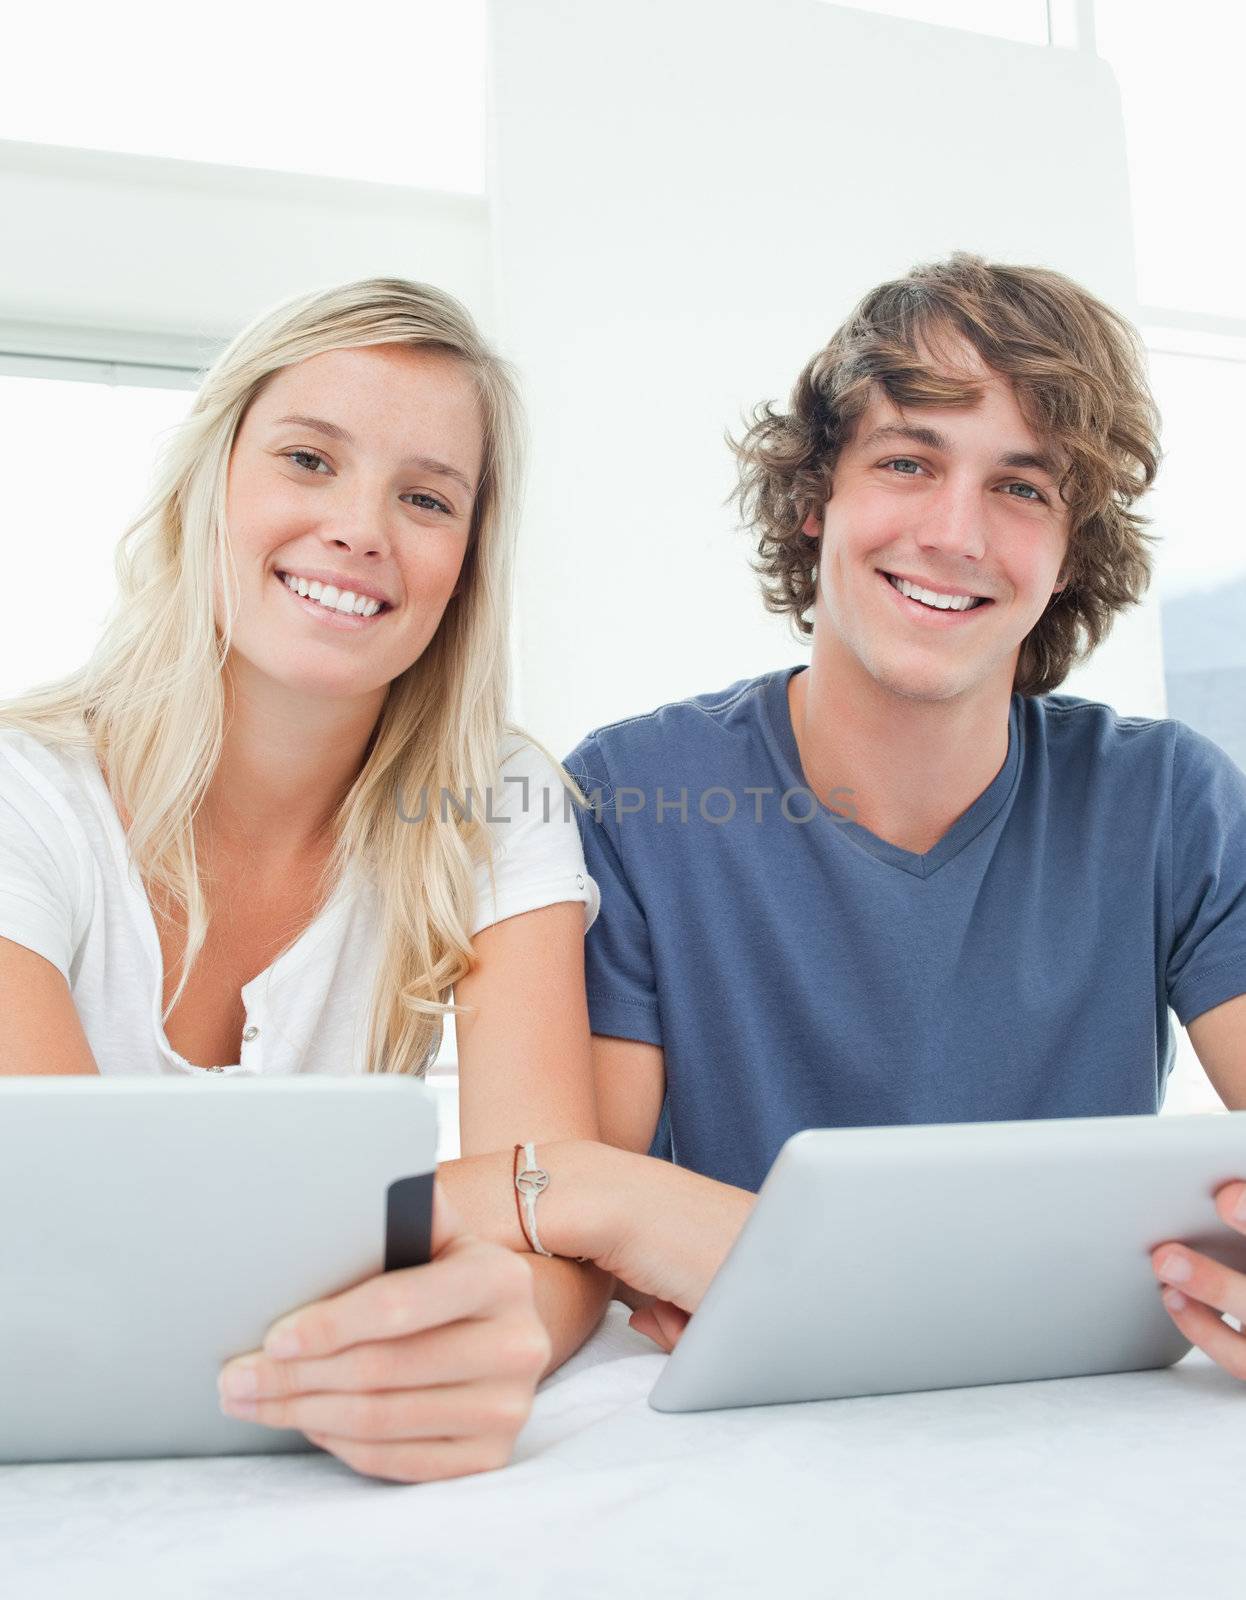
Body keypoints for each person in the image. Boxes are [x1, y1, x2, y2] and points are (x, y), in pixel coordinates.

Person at [562, 253, 1246, 1371]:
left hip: (1073, 1417)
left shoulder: (1168, 802)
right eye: (905, 462)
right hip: (755, 1418)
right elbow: (578, 1203)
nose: (955, 534)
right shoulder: (629, 798)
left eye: (1020, 487)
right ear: (812, 499)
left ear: (1070, 552)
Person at [0, 277, 614, 1482]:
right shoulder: (26, 798)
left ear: (465, 564)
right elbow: (69, 1236)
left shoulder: (499, 796)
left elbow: (558, 1217)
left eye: (426, 496)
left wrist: (500, 1342)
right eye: (308, 459)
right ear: (209, 484)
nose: (361, 529)